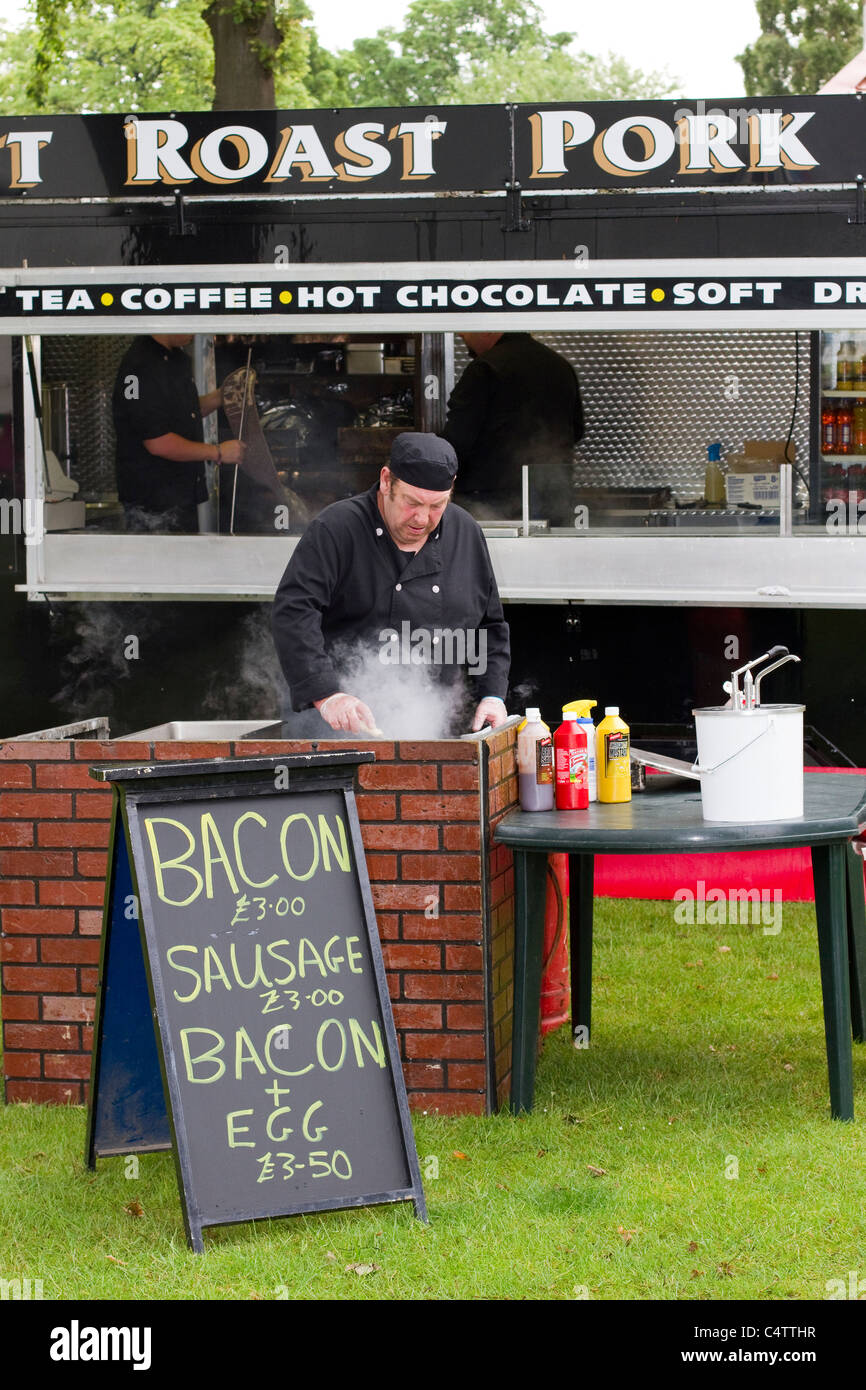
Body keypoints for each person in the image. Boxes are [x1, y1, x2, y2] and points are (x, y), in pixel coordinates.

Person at [271, 432, 511, 735]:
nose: (422, 518)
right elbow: (293, 613)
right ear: (386, 481)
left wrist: (492, 695)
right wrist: (327, 695)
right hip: (337, 723)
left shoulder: (465, 533)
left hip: (432, 723)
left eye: (437, 505)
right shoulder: (336, 528)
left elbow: (489, 627)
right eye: (412, 503)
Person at [442, 331, 584, 525]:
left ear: (485, 330)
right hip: (552, 494)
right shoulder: (561, 366)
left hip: (491, 499)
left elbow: (458, 440)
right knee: (551, 553)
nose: (465, 343)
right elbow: (577, 431)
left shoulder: (485, 367)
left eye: (465, 335)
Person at [112, 333, 245, 533]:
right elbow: (157, 441)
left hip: (180, 495)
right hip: (153, 502)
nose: (194, 332)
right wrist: (217, 452)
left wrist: (223, 395)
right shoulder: (140, 366)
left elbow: (184, 412)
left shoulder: (176, 358)